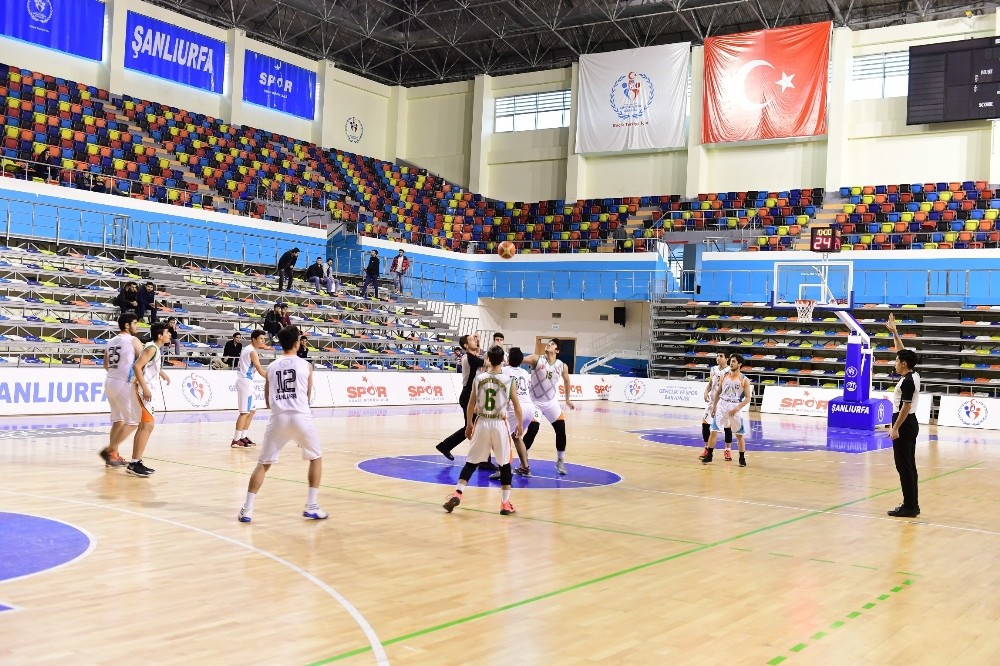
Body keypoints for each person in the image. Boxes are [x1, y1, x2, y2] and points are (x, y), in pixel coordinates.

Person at [238, 325, 328, 523]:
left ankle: (247, 509)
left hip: (278, 417)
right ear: (297, 343)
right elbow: (307, 395)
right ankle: (311, 505)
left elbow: (268, 399)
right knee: (316, 458)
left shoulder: (272, 367)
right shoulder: (306, 366)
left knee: (263, 464)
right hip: (301, 416)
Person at [443, 346, 523, 516]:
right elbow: (516, 406)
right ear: (503, 361)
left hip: (482, 421)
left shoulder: (479, 378)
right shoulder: (509, 380)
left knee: (471, 462)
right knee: (505, 464)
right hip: (499, 423)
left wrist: (469, 425)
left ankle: (457, 493)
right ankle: (505, 503)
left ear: (488, 359)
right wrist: (520, 425)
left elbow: (471, 404)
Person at [434, 333, 495, 470]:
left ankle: (445, 446)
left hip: (473, 395)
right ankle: (483, 461)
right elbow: (489, 363)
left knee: (473, 427)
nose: (475, 340)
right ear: (466, 345)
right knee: (477, 427)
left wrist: (479, 345)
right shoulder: (469, 358)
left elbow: (481, 360)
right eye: (472, 340)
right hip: (469, 396)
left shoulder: (472, 357)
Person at [886, 313, 921, 518]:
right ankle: (912, 504)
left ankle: (909, 507)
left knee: (904, 467)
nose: (895, 363)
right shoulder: (913, 373)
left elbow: (905, 407)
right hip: (910, 423)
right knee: (909, 466)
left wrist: (895, 428)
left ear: (904, 364)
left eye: (897, 361)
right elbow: (902, 351)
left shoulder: (908, 381)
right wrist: (895, 332)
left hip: (905, 423)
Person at [523, 338, 576, 475]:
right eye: (549, 343)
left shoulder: (562, 366)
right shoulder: (536, 359)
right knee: (533, 430)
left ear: (557, 350)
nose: (549, 344)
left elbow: (567, 381)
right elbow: (519, 360)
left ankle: (560, 460)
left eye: (552, 344)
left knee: (561, 429)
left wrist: (567, 400)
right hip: (534, 402)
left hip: (551, 403)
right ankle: (524, 461)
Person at [127, 322, 172, 478]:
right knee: (148, 425)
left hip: (144, 388)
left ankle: (135, 462)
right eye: (167, 332)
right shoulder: (152, 348)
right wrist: (144, 387)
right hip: (141, 389)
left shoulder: (153, 348)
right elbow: (137, 367)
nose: (170, 335)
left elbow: (149, 365)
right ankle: (134, 462)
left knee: (143, 426)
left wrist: (162, 373)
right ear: (160, 336)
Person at [99, 314, 142, 468]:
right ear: (127, 325)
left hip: (110, 380)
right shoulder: (132, 340)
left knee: (118, 421)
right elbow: (144, 360)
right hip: (123, 382)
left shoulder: (110, 341)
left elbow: (105, 364)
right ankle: (109, 450)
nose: (137, 326)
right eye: (135, 323)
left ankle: (113, 456)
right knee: (133, 421)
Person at [701, 353, 752, 467]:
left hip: (735, 406)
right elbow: (718, 392)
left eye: (734, 361)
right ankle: (709, 455)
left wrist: (737, 408)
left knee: (739, 435)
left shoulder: (744, 379)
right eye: (731, 361)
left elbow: (748, 398)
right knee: (714, 431)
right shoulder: (724, 376)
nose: (731, 363)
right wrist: (714, 407)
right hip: (722, 404)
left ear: (739, 364)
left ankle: (742, 457)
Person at [493, 346, 537, 479]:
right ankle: (525, 468)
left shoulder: (504, 370)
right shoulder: (524, 372)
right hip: (530, 408)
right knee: (517, 437)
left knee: (503, 438)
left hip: (516, 407)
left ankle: (504, 469)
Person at [233, 330, 267, 448]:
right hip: (245, 381)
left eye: (264, 338)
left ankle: (243, 436)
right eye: (261, 338)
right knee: (244, 412)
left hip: (248, 381)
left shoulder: (249, 349)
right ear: (254, 339)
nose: (263, 340)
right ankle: (236, 439)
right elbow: (260, 369)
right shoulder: (251, 351)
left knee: (251, 411)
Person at [699, 352, 733, 461]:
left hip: (723, 402)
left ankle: (727, 450)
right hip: (712, 402)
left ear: (726, 359)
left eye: (721, 356)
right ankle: (706, 449)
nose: (718, 358)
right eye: (717, 356)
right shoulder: (713, 369)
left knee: (727, 427)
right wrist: (705, 392)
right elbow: (710, 384)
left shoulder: (730, 371)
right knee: (705, 424)